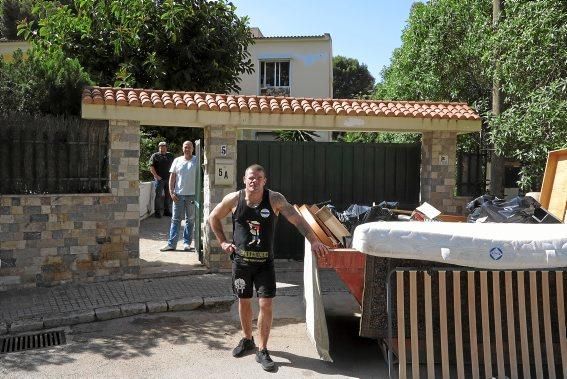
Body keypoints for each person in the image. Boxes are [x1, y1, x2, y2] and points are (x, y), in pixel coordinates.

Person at [208, 164, 328, 372]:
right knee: (244, 301)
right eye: (251, 178)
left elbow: (297, 220)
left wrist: (314, 241)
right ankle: (247, 339)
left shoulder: (275, 199)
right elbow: (213, 217)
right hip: (241, 263)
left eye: (259, 178)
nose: (254, 181)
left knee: (266, 304)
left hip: (265, 263)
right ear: (244, 179)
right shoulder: (234, 199)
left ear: (265, 181)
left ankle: (262, 349)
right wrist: (222, 242)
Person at [160, 141, 197, 252]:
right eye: (185, 147)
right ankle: (171, 244)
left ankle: (186, 243)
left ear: (193, 149)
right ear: (182, 148)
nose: (187, 149)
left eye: (189, 147)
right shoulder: (177, 160)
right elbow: (172, 177)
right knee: (175, 220)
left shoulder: (197, 160)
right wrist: (171, 192)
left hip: (192, 195)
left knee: (190, 220)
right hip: (178, 195)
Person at [149, 141, 174, 218]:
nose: (162, 148)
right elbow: (151, 167)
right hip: (159, 179)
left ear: (166, 147)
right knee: (158, 196)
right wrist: (156, 176)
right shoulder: (155, 156)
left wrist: (173, 177)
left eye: (163, 146)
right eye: (160, 146)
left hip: (169, 179)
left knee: (168, 196)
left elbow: (174, 166)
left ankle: (166, 211)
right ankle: (157, 213)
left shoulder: (170, 155)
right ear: (158, 147)